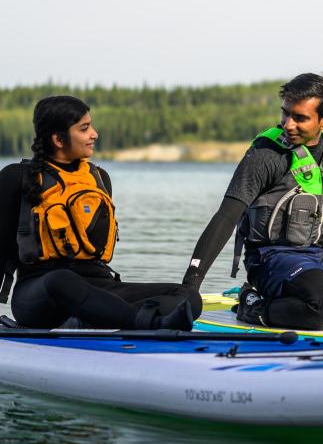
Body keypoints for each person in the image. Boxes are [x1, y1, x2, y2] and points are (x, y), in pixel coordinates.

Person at [181, 72, 323, 330]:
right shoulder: (266, 154)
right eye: (285, 113)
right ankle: (255, 308)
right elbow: (226, 217)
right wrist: (190, 286)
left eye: (300, 118)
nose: (288, 124)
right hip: (274, 258)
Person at [0, 95, 201, 330]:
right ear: (58, 139)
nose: (94, 134)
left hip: (100, 286)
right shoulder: (16, 177)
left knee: (187, 296)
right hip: (41, 293)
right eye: (84, 128)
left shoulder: (99, 178)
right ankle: (148, 322)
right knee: (62, 280)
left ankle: (90, 319)